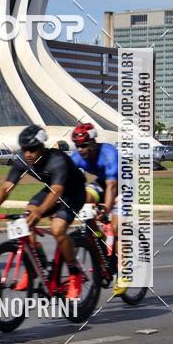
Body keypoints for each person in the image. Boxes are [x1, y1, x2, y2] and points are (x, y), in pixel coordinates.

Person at [0, 125, 86, 299]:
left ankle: (75, 273)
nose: (28, 154)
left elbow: (58, 191)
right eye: (25, 149)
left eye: (32, 150)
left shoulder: (56, 160)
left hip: (72, 192)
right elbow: (7, 187)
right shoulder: (22, 160)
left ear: (42, 148)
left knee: (58, 229)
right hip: (51, 190)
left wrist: (41, 211)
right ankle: (36, 265)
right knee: (25, 218)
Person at [69, 122, 127, 296]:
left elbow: (112, 186)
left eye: (84, 145)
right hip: (103, 182)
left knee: (116, 228)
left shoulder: (109, 153)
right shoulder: (77, 156)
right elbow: (66, 180)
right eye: (77, 145)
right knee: (84, 198)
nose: (80, 149)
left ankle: (125, 273)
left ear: (93, 142)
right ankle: (98, 237)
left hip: (123, 184)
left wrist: (106, 209)